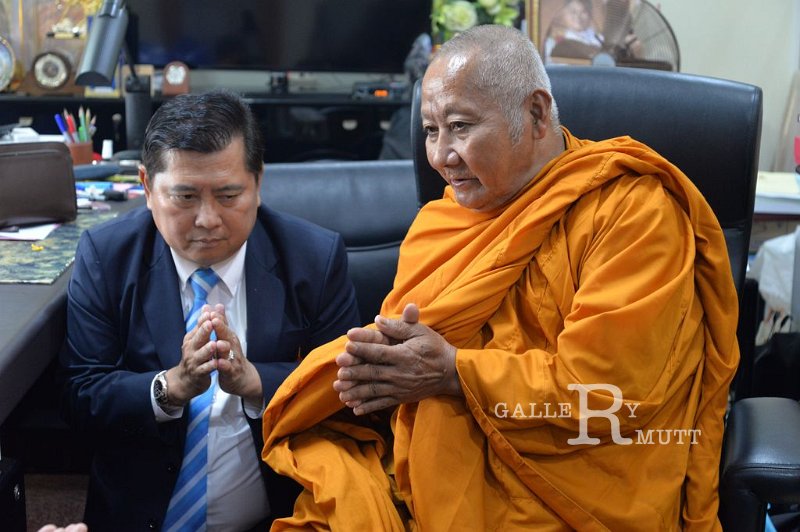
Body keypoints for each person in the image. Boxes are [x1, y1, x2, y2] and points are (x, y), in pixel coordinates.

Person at [261, 25, 739, 530]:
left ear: (535, 114)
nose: (441, 156)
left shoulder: (631, 213)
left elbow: (606, 393)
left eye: (460, 126)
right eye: (430, 131)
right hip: (424, 475)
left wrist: (454, 373)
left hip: (572, 486)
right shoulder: (441, 223)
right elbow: (404, 377)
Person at [60, 90, 360, 530]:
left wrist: (255, 383)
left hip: (280, 520)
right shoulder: (107, 257)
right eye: (185, 197)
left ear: (258, 183)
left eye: (228, 195)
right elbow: (80, 396)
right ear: (147, 187)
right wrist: (170, 387)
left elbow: (345, 393)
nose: (208, 219)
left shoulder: (314, 258)